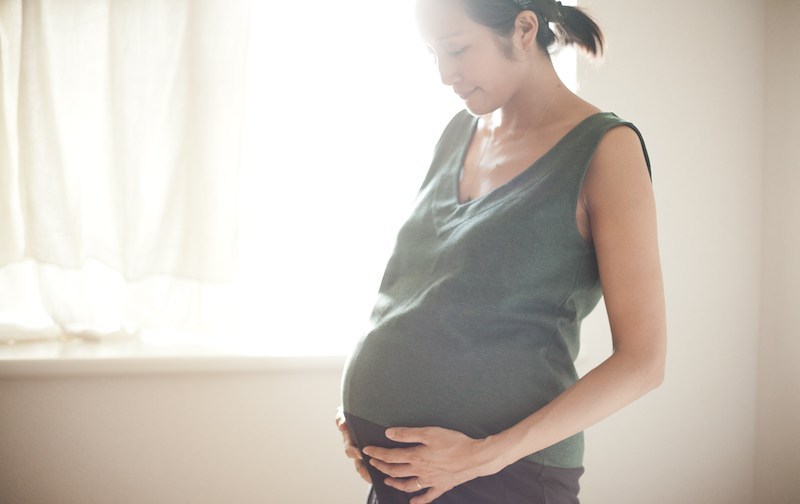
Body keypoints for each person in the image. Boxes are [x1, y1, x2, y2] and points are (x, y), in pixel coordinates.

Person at [336, 0, 666, 502]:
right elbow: (421, 290)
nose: (446, 73)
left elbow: (643, 362)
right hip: (405, 476)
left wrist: (482, 455)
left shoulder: (606, 151)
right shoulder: (458, 133)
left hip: (502, 480)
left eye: (457, 49)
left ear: (523, 29)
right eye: (433, 54)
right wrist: (367, 414)